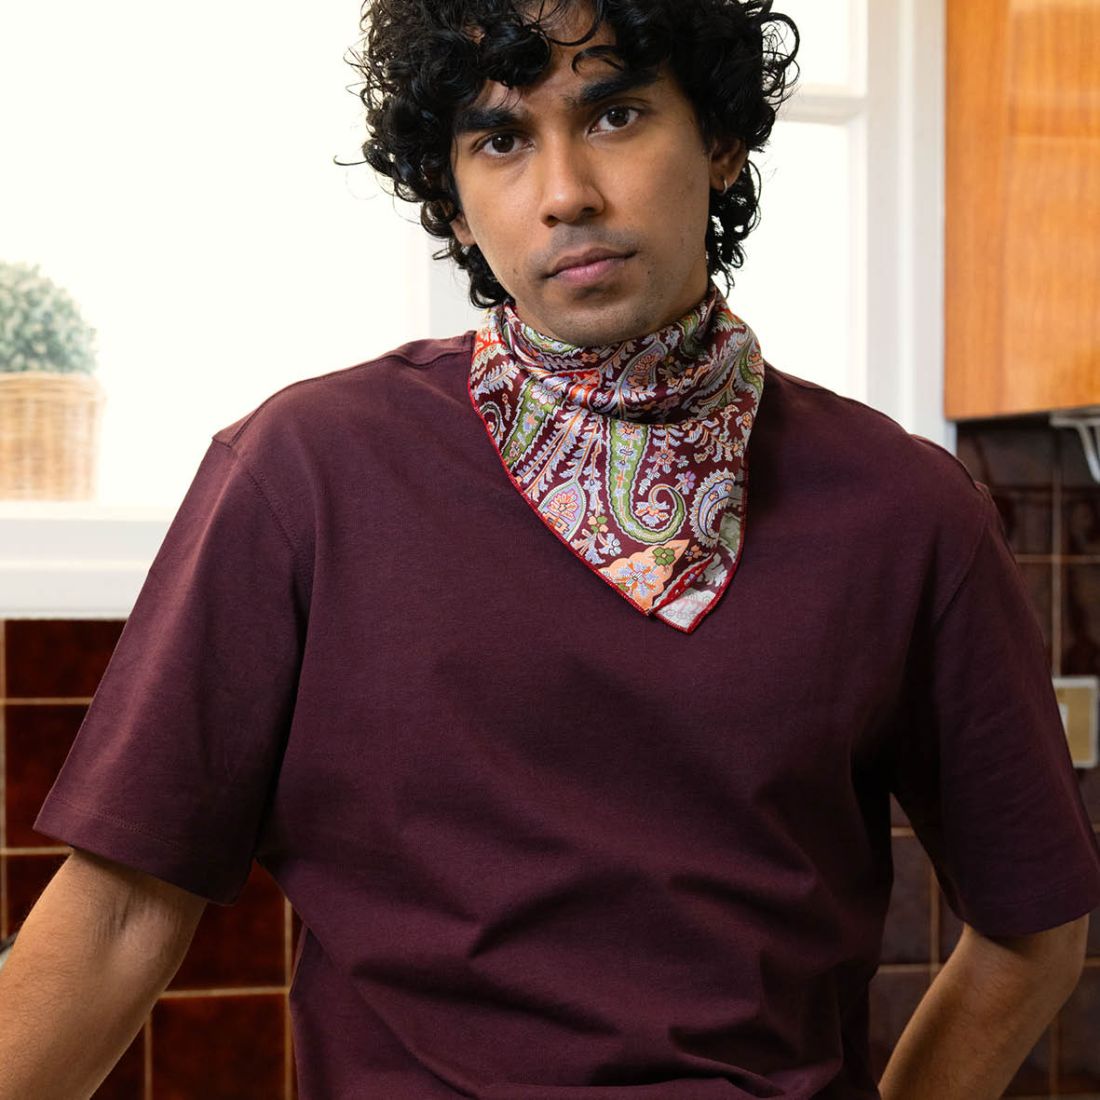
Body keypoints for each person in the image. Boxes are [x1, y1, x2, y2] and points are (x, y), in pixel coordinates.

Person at [2, 1, 1098, 1097]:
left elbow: (1033, 932)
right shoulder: (304, 475)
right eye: (500, 138)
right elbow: (118, 914)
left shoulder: (908, 513)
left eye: (614, 114)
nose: (565, 191)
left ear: (720, 140)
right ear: (450, 196)